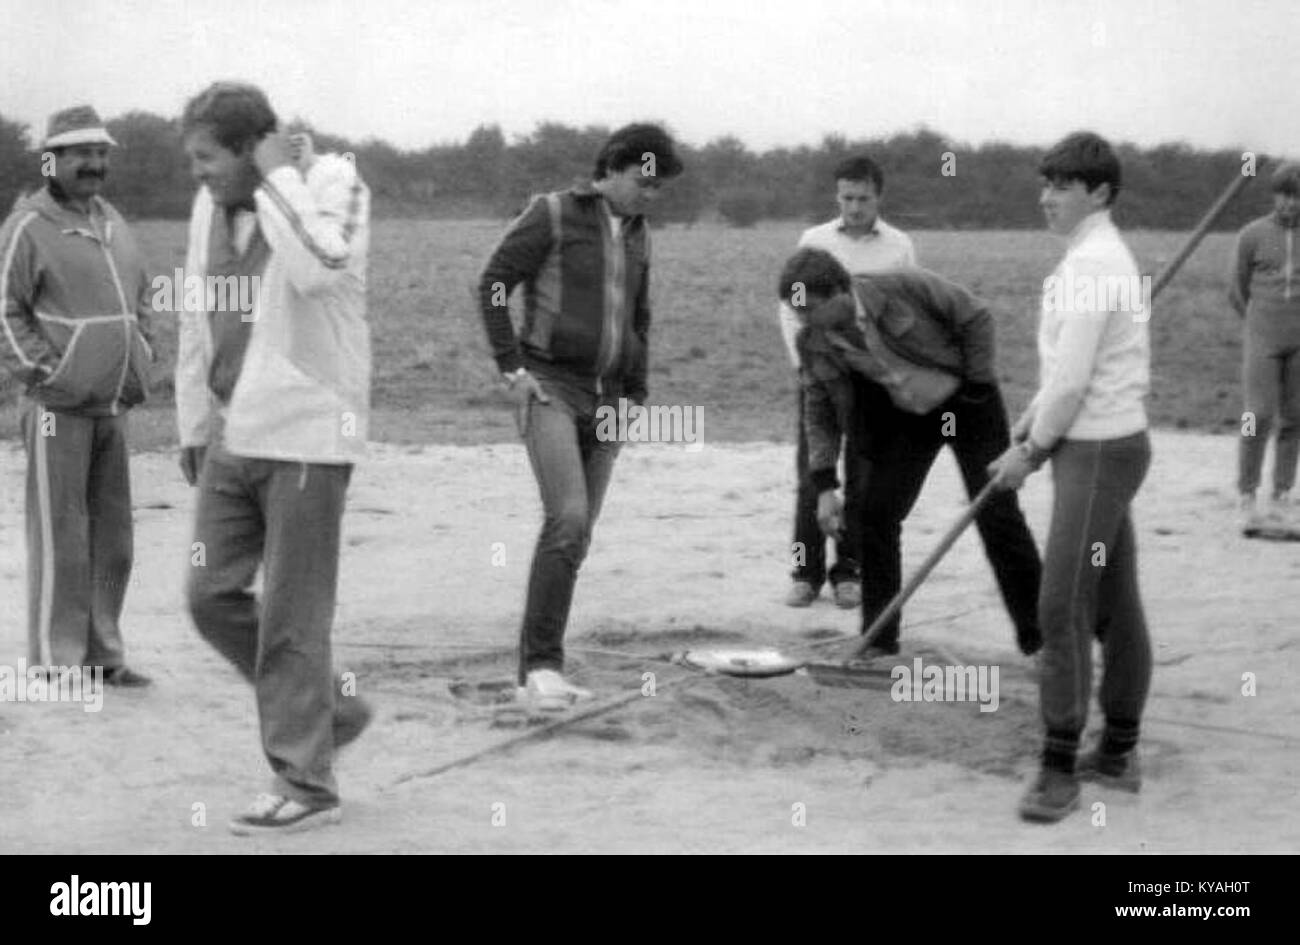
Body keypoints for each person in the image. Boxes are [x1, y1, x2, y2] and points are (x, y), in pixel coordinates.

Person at [175, 82, 373, 835]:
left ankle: (307, 782)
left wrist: (276, 177)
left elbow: (320, 264)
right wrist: (195, 421)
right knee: (208, 594)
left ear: (250, 146)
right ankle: (332, 711)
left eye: (207, 160)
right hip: (233, 431)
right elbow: (200, 308)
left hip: (308, 430)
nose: (198, 175)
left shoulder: (334, 183)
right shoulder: (207, 205)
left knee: (294, 615)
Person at [477, 123, 683, 711]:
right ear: (612, 168)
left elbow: (640, 316)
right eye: (645, 182)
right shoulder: (552, 213)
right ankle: (542, 668)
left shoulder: (642, 235)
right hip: (551, 389)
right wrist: (510, 367)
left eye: (660, 187)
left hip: (611, 400)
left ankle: (536, 669)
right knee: (566, 518)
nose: (651, 195)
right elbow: (494, 283)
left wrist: (636, 394)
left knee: (578, 534)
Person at [987, 131, 1152, 823]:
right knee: (1113, 597)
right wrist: (1027, 426)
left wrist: (1031, 451)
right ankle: (1116, 749)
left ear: (1100, 193)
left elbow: (1076, 379)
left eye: (1062, 186)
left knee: (1060, 605)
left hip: (1098, 450)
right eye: (1045, 183)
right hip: (1095, 443)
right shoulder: (1090, 258)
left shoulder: (1096, 263)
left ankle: (1060, 767)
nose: (1046, 197)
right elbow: (1063, 373)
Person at [782, 248, 1042, 658]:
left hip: (968, 400)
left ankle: (1040, 638)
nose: (804, 321)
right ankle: (878, 640)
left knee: (996, 513)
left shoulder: (904, 285)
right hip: (907, 415)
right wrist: (825, 484)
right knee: (876, 514)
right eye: (796, 311)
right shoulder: (812, 341)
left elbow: (976, 316)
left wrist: (976, 384)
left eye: (810, 309)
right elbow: (819, 412)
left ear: (840, 290)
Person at [0, 105, 154, 686]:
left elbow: (140, 299)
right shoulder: (25, 227)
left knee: (113, 539)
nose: (94, 163)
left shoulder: (112, 220)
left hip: (113, 403)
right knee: (62, 532)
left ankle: (104, 656)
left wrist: (143, 355)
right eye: (80, 152)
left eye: (101, 153)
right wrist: (45, 374)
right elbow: (4, 308)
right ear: (51, 159)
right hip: (56, 408)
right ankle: (58, 660)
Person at [777, 156, 916, 609]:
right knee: (812, 476)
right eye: (846, 198)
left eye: (863, 198)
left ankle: (849, 571)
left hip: (871, 382)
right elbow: (789, 306)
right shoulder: (813, 240)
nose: (854, 207)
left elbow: (907, 312)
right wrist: (803, 362)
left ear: (879, 196)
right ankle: (805, 570)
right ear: (837, 197)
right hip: (818, 372)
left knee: (863, 478)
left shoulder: (899, 246)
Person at [1229, 161, 1300, 535]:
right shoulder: (1252, 234)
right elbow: (1236, 289)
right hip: (1262, 338)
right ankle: (1246, 491)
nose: (1291, 204)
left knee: (1294, 416)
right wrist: (1258, 326)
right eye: (1285, 195)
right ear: (1275, 195)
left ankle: (1283, 492)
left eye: (1297, 197)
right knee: (1256, 415)